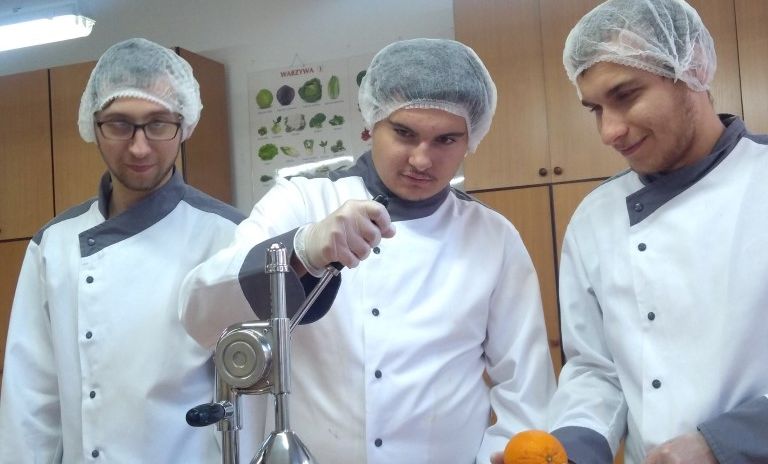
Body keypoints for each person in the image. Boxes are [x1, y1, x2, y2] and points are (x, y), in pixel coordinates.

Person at [179, 37, 556, 463]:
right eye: (404, 133)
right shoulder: (301, 202)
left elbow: (526, 388)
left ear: (472, 139)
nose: (421, 159)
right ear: (372, 121)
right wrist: (301, 250)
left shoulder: (493, 237)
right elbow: (200, 314)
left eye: (446, 140)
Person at [0, 38, 253, 462]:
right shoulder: (53, 245)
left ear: (184, 124)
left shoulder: (230, 238)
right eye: (119, 124)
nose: (139, 147)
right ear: (93, 125)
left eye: (158, 123)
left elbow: (250, 402)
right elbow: (31, 399)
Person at [545, 0, 768, 463]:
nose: (609, 132)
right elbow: (595, 369)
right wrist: (571, 450)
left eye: (626, 95)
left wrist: (725, 443)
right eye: (595, 109)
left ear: (693, 68)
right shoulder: (594, 217)